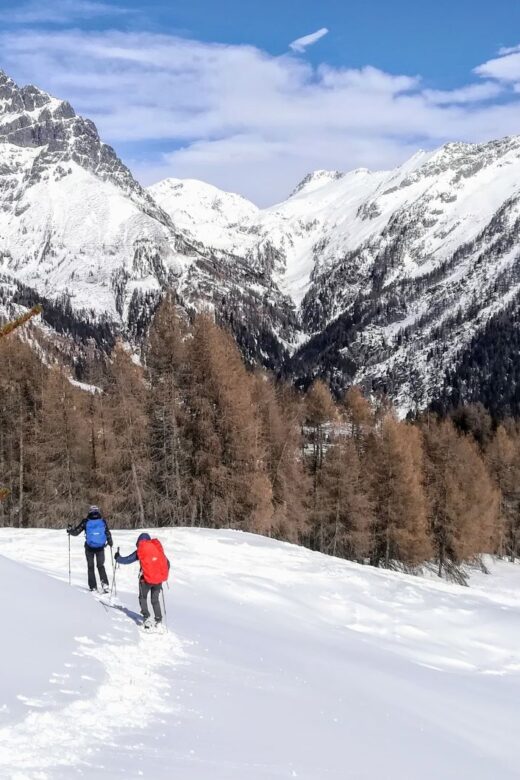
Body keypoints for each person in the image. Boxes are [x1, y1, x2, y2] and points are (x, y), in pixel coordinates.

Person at [115, 533, 170, 630]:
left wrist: (118, 558)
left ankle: (147, 617)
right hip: (158, 580)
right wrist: (161, 575)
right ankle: (158, 620)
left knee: (143, 597)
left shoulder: (141, 550)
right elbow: (167, 563)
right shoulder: (157, 549)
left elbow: (127, 560)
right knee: (155, 600)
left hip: (145, 579)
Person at [67, 505, 113, 593]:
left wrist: (70, 530)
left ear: (90, 512)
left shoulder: (86, 521)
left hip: (89, 548)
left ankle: (93, 587)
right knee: (101, 566)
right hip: (100, 547)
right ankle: (105, 585)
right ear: (98, 511)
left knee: (90, 567)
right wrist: (110, 542)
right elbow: (107, 532)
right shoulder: (102, 521)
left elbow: (76, 532)